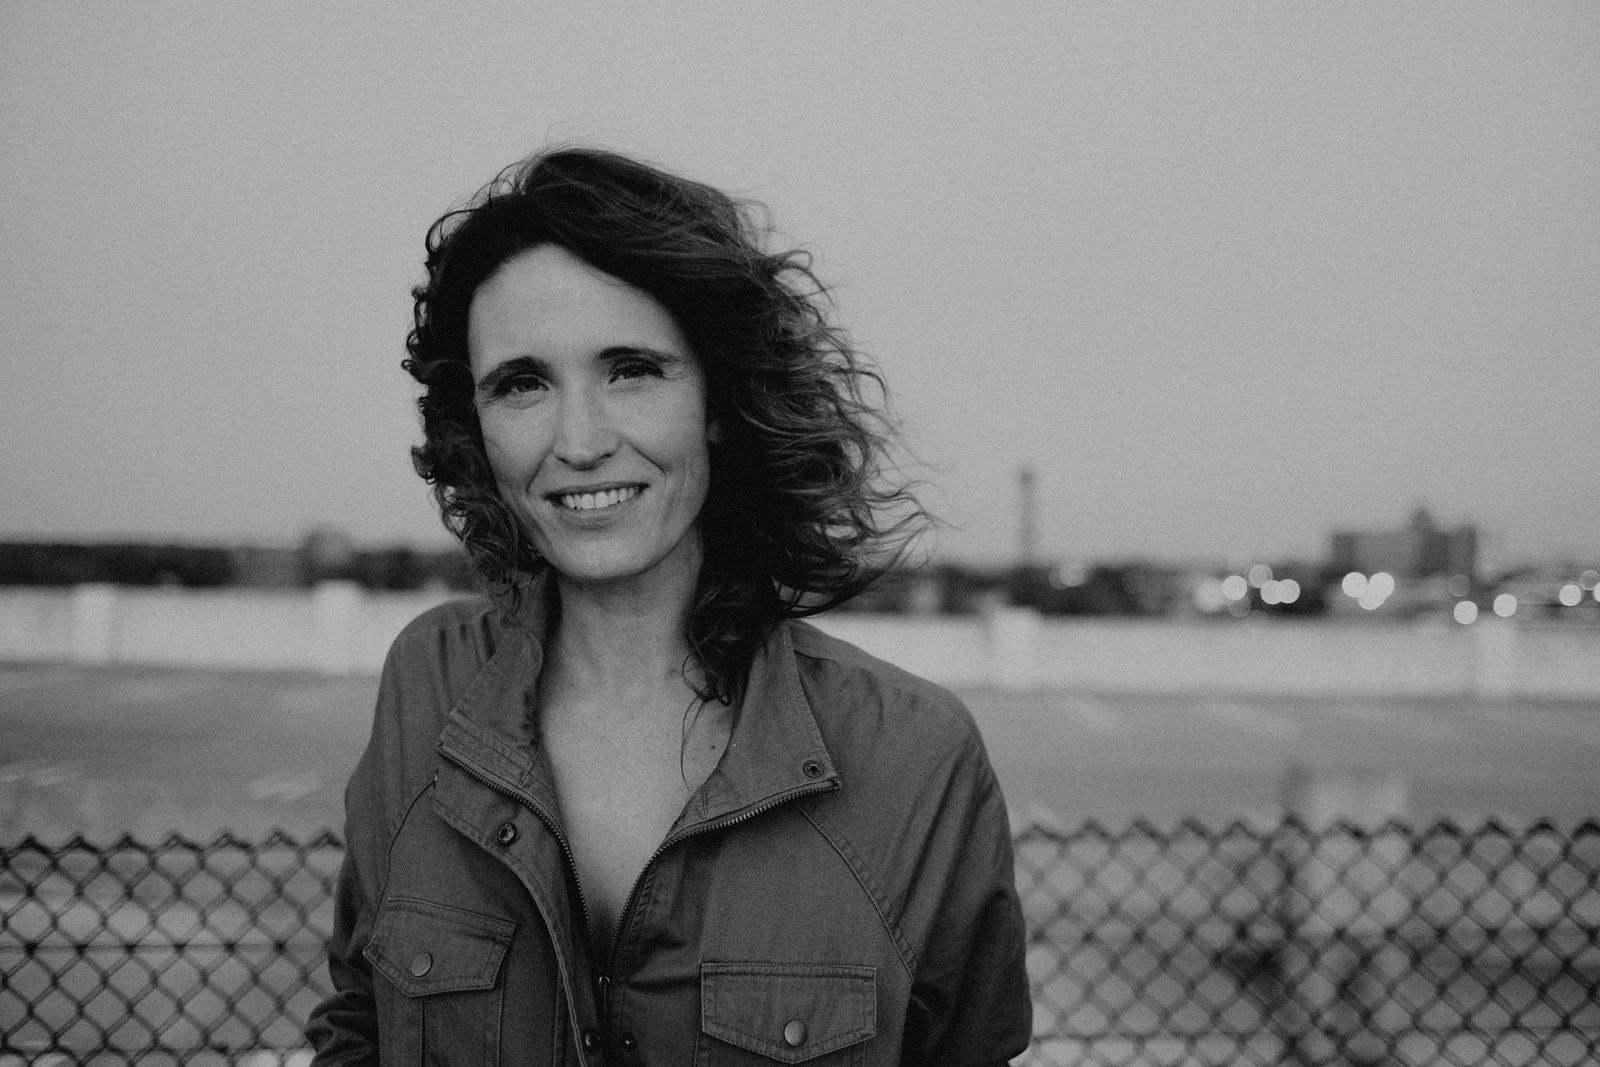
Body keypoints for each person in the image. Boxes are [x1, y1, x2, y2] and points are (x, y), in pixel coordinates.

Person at [307, 146, 1031, 1065]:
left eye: (632, 370)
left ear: (718, 399)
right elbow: (361, 1022)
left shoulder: (917, 761)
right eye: (523, 383)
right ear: (475, 421)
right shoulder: (427, 685)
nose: (579, 441)